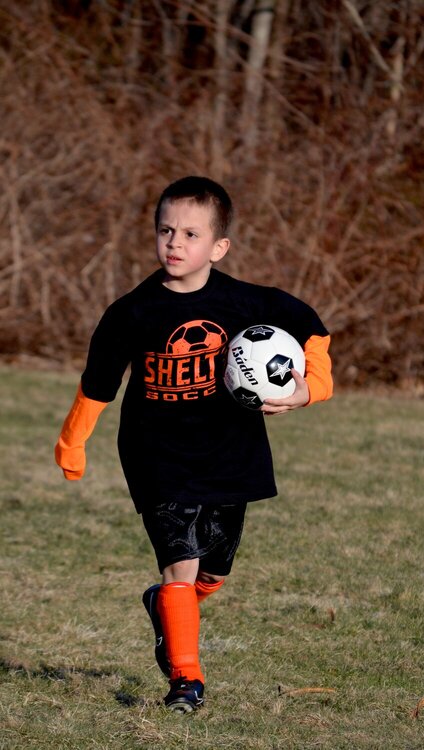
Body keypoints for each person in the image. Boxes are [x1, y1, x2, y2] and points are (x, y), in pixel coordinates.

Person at [55, 176, 333, 713]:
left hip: (231, 452)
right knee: (178, 560)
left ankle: (168, 607)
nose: (175, 244)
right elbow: (98, 383)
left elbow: (312, 329)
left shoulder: (247, 302)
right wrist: (73, 442)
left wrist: (310, 389)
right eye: (165, 231)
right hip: (156, 454)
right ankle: (186, 680)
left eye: (190, 234)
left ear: (218, 246)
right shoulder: (131, 312)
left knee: (214, 570)